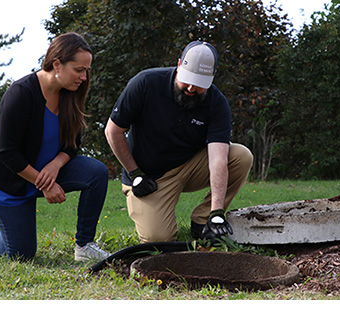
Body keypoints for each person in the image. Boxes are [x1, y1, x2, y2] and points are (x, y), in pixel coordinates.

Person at [0, 33, 110, 262]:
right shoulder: (21, 93)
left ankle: (84, 246)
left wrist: (56, 165)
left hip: (46, 170)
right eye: (79, 70)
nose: (84, 77)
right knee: (20, 253)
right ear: (57, 64)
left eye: (86, 70)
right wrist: (44, 184)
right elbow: (6, 152)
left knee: (97, 172)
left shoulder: (71, 94)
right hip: (10, 180)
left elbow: (74, 143)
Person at [104, 40, 253, 244]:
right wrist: (134, 173)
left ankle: (203, 220)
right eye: (187, 80)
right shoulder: (146, 83)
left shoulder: (217, 103)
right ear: (179, 64)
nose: (191, 88)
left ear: (212, 76)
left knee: (241, 156)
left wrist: (217, 211)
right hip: (149, 178)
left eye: (199, 84)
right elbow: (113, 131)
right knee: (159, 239)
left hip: (189, 167)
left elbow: (218, 159)